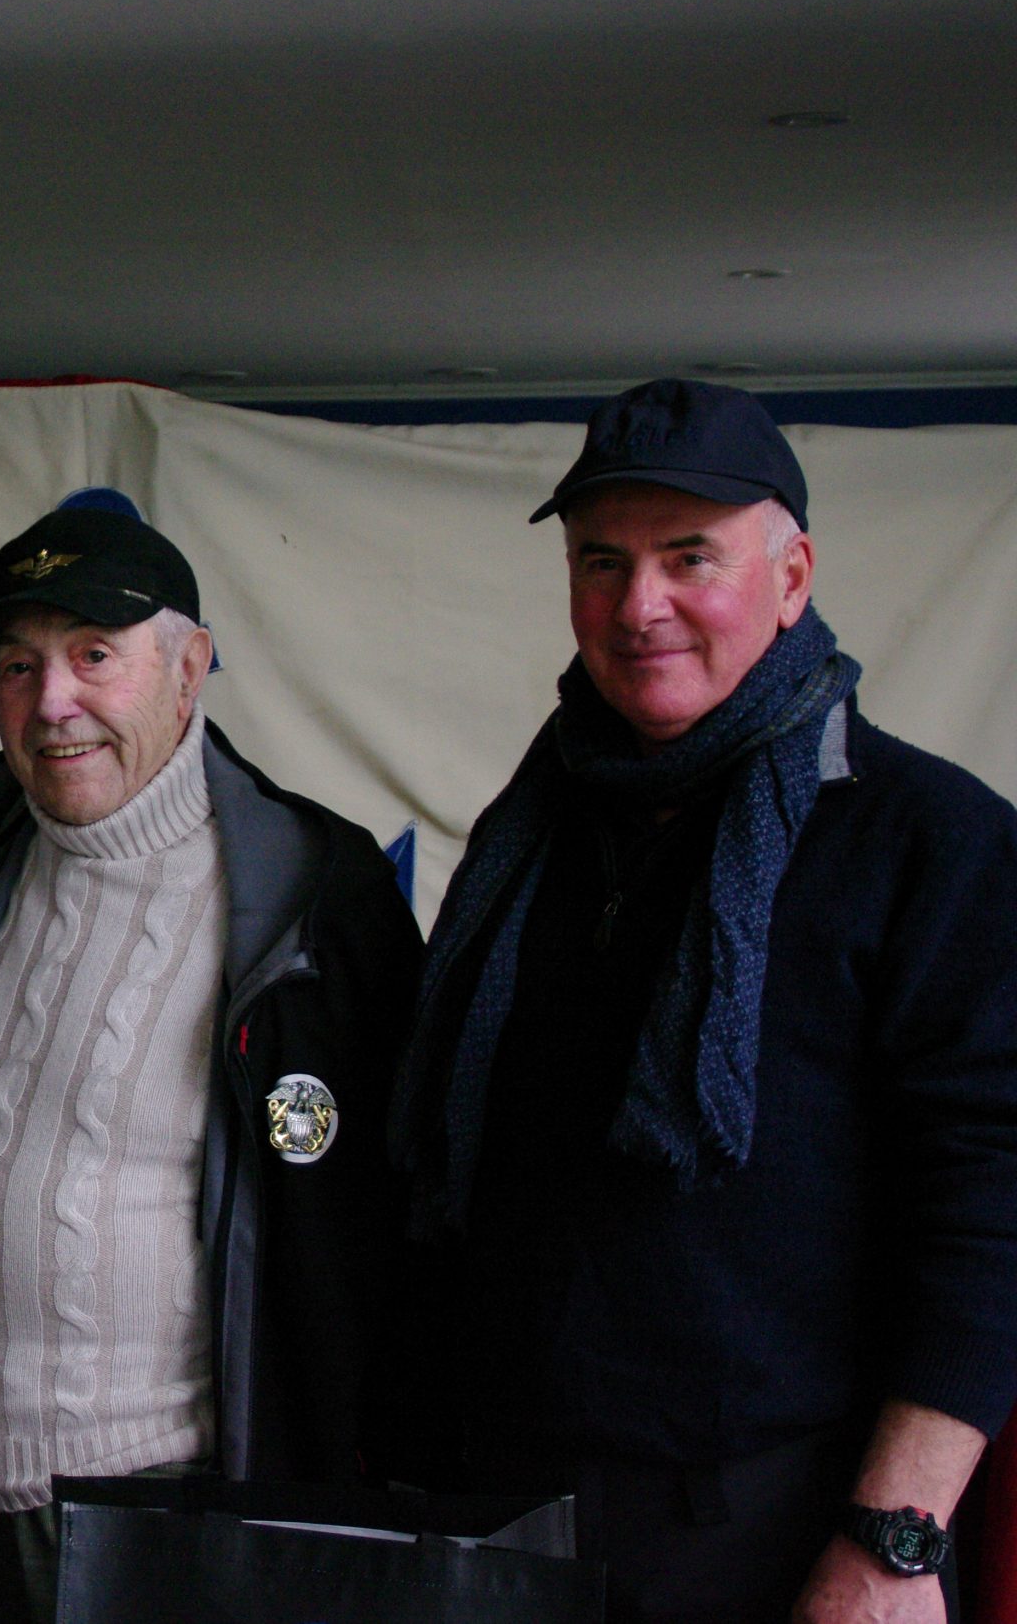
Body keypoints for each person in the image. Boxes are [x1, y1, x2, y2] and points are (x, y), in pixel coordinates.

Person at [390, 378, 1017, 1624]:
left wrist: (892, 1542)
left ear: (791, 579)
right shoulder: (533, 831)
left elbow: (992, 1215)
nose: (640, 606)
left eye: (690, 558)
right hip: (498, 1511)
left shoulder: (933, 842)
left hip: (777, 1528)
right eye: (602, 563)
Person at [0, 505, 424, 1624]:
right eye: (18, 665)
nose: (51, 702)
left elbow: (384, 1228)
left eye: (93, 656)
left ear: (189, 667)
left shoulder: (312, 892)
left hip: (167, 1525)